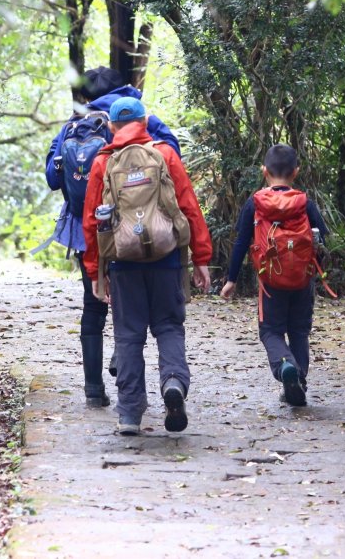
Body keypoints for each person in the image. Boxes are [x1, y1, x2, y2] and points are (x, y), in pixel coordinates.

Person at [43, 67, 181, 408]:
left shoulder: (73, 126)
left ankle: (93, 389)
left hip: (84, 225)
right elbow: (171, 154)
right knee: (129, 303)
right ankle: (124, 360)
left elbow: (52, 177)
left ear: (86, 95)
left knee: (94, 303)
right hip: (137, 227)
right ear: (122, 87)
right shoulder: (138, 117)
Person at [82, 96, 212, 435]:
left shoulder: (103, 163)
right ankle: (173, 382)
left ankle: (129, 413)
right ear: (145, 121)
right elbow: (188, 207)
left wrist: (96, 272)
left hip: (124, 263)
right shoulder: (165, 154)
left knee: (128, 336)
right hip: (167, 258)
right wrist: (201, 258)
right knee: (169, 326)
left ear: (111, 127)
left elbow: (91, 221)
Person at [219, 144, 330, 407]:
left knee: (270, 331)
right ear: (296, 172)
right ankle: (299, 381)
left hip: (270, 281)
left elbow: (241, 243)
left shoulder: (255, 203)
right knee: (299, 331)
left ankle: (285, 368)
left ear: (264, 171)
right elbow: (323, 239)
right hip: (302, 280)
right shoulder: (305, 202)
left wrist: (231, 280)